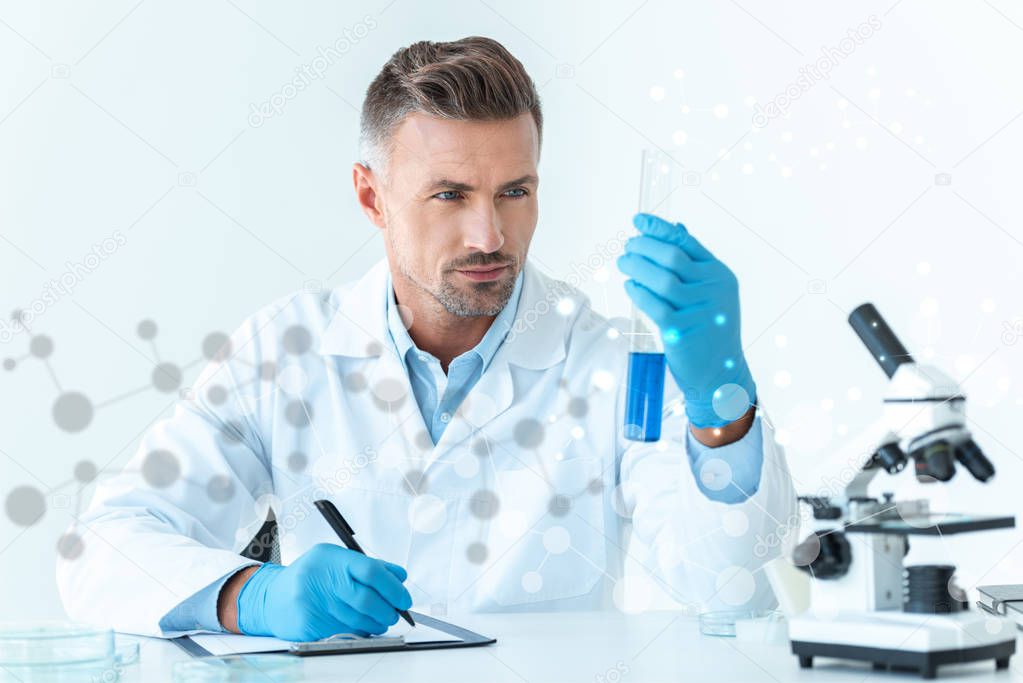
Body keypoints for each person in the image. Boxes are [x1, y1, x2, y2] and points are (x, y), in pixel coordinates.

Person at [57, 36, 795, 640]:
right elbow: (101, 547)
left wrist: (719, 403)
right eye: (449, 195)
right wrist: (252, 596)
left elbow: (728, 584)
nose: (490, 234)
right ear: (371, 196)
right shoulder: (284, 350)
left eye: (515, 191)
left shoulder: (606, 357)